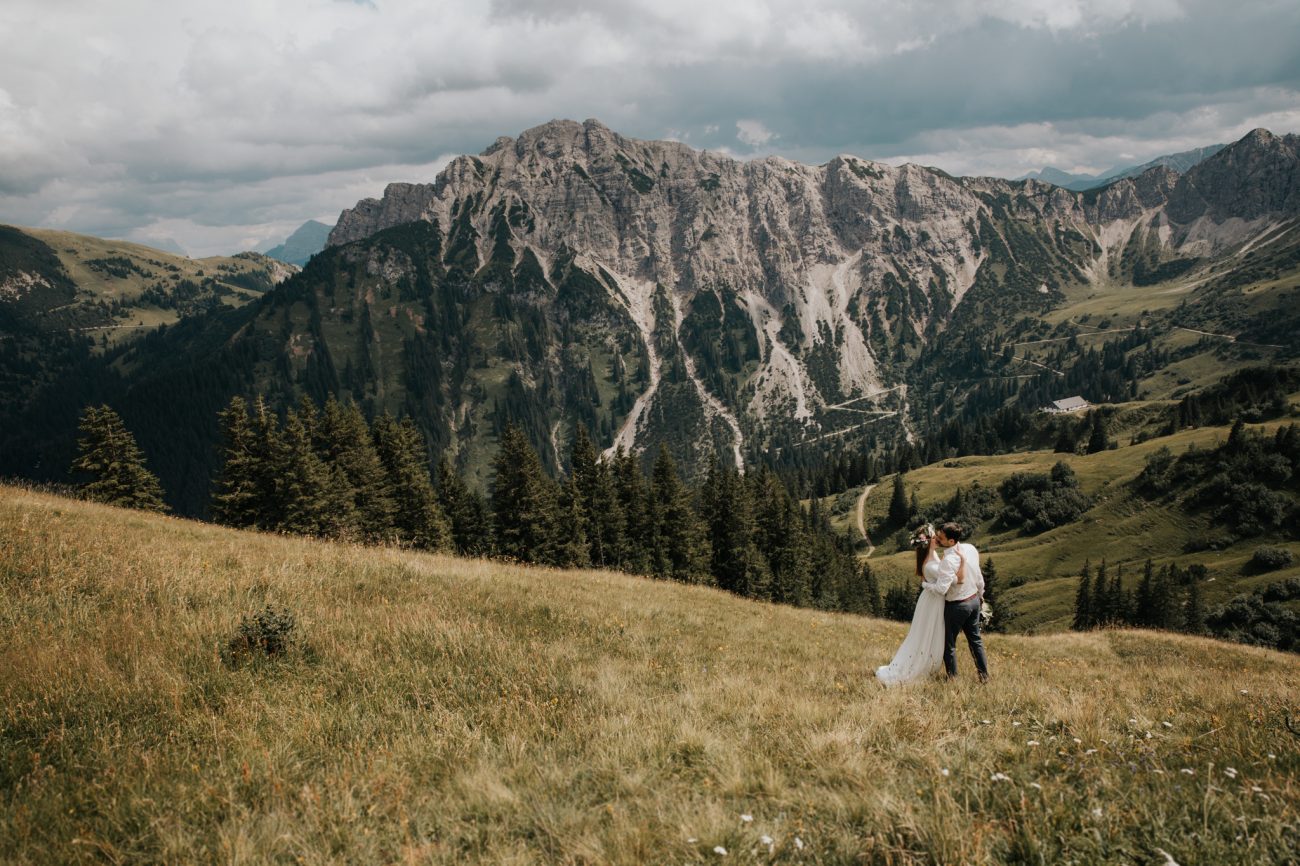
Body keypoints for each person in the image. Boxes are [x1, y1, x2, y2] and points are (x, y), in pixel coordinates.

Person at [874, 524, 946, 686]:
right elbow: (939, 580)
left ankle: (929, 662)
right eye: (934, 536)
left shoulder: (932, 555)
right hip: (932, 601)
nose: (937, 538)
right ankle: (919, 666)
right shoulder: (928, 561)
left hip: (933, 599)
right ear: (928, 541)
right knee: (925, 634)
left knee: (931, 633)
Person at [922, 522, 990, 682]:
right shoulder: (970, 548)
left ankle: (952, 678)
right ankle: (984, 676)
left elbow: (941, 589)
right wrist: (981, 596)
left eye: (941, 538)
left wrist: (925, 584)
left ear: (951, 541)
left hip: (957, 606)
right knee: (975, 640)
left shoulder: (949, 560)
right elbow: (979, 577)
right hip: (974, 600)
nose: (937, 539)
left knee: (949, 644)